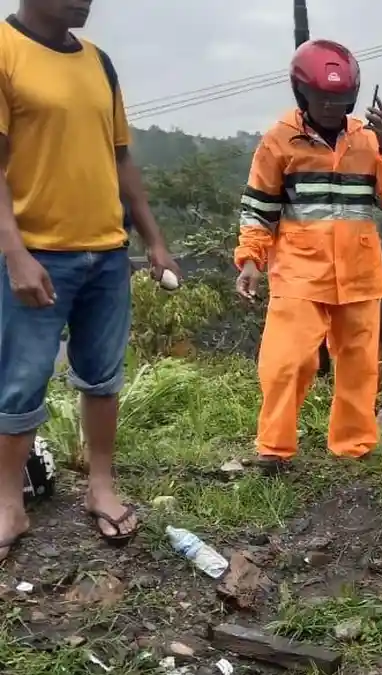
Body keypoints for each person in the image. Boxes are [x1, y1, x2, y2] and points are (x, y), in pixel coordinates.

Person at [0, 0, 181, 561]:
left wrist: (153, 239)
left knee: (102, 378)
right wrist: (14, 254)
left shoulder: (99, 63)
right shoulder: (5, 53)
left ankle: (100, 487)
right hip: (37, 253)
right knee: (19, 383)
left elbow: (122, 158)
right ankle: (8, 503)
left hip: (106, 252)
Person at [234, 39, 382, 470]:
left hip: (361, 272)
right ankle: (273, 449)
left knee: (360, 364)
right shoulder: (279, 140)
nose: (332, 106)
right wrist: (252, 260)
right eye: (323, 97)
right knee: (287, 361)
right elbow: (259, 207)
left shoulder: (368, 140)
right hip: (298, 271)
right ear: (302, 94)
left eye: (340, 98)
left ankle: (354, 447)